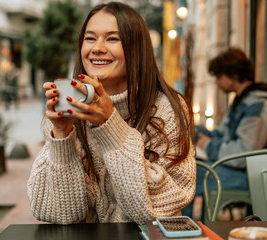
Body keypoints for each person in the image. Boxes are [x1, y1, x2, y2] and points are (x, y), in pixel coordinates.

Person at [27, 2, 195, 225]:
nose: (97, 48)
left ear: (137, 47)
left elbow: (153, 213)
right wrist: (61, 134)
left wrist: (111, 126)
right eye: (90, 38)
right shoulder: (71, 107)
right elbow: (61, 214)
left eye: (112, 38)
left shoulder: (168, 109)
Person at [182, 48, 267, 218]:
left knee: (188, 174)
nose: (216, 82)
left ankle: (183, 230)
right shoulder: (241, 99)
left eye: (219, 76)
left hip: (249, 176)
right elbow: (222, 134)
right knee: (188, 166)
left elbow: (244, 153)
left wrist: (208, 145)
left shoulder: (256, 103)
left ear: (234, 74)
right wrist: (194, 130)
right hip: (237, 169)